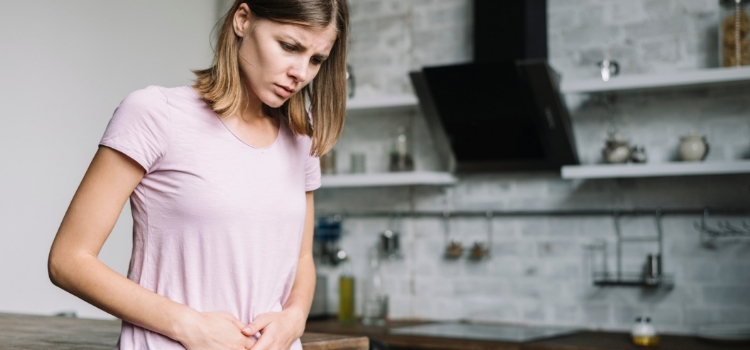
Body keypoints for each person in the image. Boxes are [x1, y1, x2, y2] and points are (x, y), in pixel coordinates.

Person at [47, 1, 349, 349]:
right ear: (243, 20)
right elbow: (68, 261)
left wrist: (293, 320)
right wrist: (190, 326)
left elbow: (301, 259)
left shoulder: (302, 136)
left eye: (316, 60)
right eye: (289, 46)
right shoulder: (156, 114)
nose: (301, 72)